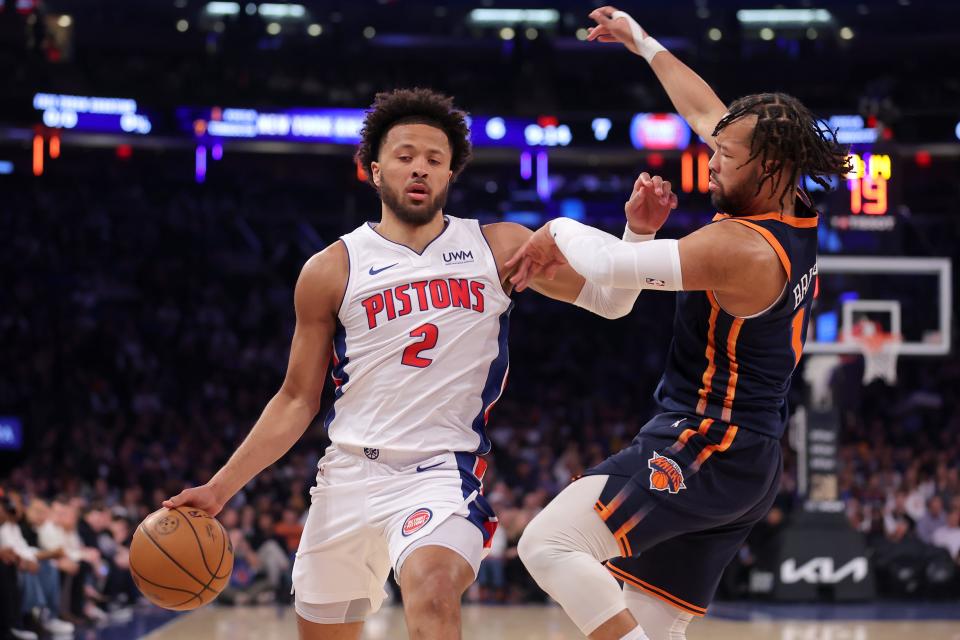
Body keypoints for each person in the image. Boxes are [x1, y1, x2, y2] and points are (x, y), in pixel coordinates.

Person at [163, 87, 678, 640]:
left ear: (451, 173)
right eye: (405, 156)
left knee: (431, 589)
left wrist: (639, 234)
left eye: (434, 160)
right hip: (345, 477)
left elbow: (611, 301)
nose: (419, 169)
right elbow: (295, 399)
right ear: (372, 168)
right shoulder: (331, 268)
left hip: (439, 473)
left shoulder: (497, 246)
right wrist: (218, 490)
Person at [511, 7, 851, 640]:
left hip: (707, 443)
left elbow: (612, 268)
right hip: (748, 458)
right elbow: (705, 111)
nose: (710, 160)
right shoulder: (790, 202)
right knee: (652, 625)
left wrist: (554, 227)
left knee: (549, 543)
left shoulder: (745, 250)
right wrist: (642, 41)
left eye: (723, 154)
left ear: (769, 166)